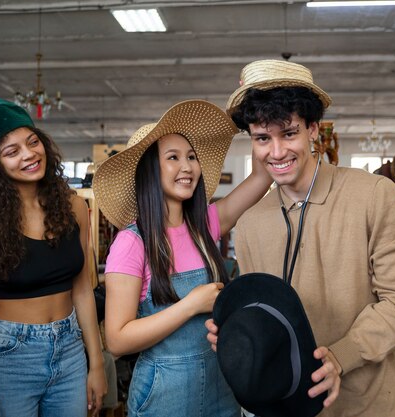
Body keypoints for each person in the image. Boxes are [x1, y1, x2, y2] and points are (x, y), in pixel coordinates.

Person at [206, 59, 395, 417]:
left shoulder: (375, 195)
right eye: (263, 138)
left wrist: (342, 356)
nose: (276, 153)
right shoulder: (249, 224)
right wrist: (235, 332)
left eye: (289, 133)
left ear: (313, 129)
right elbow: (262, 307)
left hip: (372, 406)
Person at [92, 99, 272, 417]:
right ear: (150, 170)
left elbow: (260, 179)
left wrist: (257, 119)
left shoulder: (204, 224)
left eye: (191, 157)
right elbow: (117, 339)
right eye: (173, 158)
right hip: (164, 390)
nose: (187, 167)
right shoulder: (132, 243)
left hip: (221, 383)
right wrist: (191, 304)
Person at [0, 93, 107, 417]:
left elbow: (82, 289)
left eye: (32, 141)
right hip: (9, 356)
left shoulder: (74, 207)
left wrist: (96, 363)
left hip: (69, 350)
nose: (29, 155)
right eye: (12, 151)